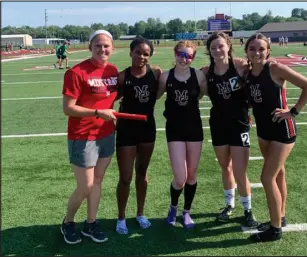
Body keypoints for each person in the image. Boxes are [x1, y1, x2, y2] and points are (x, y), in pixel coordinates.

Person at [243, 33, 307, 242]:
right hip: (263, 130)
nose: (257, 52)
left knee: (267, 177)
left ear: (268, 51)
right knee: (278, 174)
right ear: (246, 51)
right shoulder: (248, 74)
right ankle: (280, 217)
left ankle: (274, 230)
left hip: (282, 130)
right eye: (252, 48)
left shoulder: (274, 68)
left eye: (261, 49)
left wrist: (292, 111)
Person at [61, 30, 118, 244]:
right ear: (90, 47)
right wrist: (97, 113)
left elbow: (113, 95)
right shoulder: (76, 72)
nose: (102, 49)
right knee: (85, 186)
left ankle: (91, 223)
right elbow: (68, 108)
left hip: (106, 134)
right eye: (98, 46)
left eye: (106, 46)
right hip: (83, 136)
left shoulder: (112, 70)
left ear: (112, 48)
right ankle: (67, 222)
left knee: (98, 181)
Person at [201, 31, 258, 228]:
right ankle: (229, 205)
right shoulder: (205, 71)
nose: (217, 50)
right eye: (213, 47)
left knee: (240, 171)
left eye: (221, 46)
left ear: (228, 46)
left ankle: (248, 209)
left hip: (239, 123)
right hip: (218, 123)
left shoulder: (241, 66)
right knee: (225, 166)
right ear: (209, 50)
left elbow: (262, 71)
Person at [157, 40, 207, 229]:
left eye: (188, 56)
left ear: (193, 58)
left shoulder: (199, 75)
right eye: (181, 54)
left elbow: (202, 94)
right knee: (180, 178)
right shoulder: (165, 77)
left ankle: (186, 212)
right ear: (175, 54)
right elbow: (155, 96)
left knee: (191, 175)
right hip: (175, 129)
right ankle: (173, 207)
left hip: (194, 128)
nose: (184, 59)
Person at [115, 37, 163, 234]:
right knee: (125, 177)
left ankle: (140, 213)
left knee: (142, 173)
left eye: (146, 54)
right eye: (138, 52)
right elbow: (109, 98)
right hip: (126, 129)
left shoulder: (156, 73)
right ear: (130, 52)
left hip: (147, 129)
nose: (141, 57)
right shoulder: (122, 76)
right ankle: (121, 217)